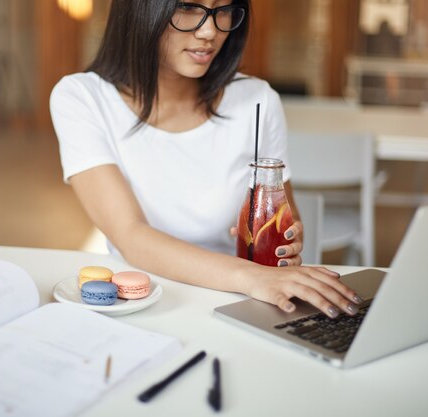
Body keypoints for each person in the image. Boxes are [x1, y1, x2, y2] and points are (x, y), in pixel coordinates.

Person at [50, 0, 362, 318]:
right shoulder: (82, 98)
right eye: (188, 7)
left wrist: (286, 248)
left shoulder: (258, 101)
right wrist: (255, 278)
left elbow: (286, 220)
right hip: (142, 304)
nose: (210, 31)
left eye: (222, 9)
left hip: (241, 301)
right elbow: (131, 236)